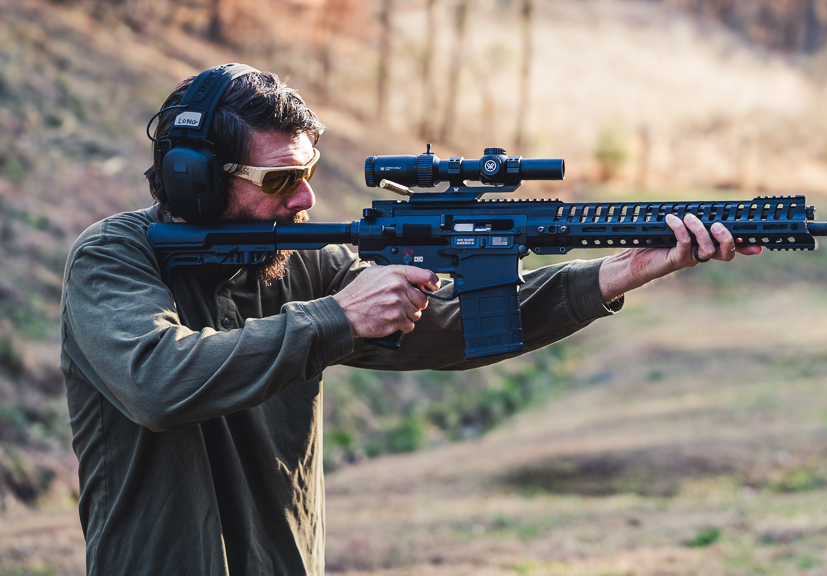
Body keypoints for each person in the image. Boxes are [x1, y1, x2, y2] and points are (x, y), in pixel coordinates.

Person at [60, 64, 760, 576]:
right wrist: (335, 319)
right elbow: (156, 382)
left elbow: (451, 328)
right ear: (197, 179)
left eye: (309, 172)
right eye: (279, 180)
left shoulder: (302, 263)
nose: (305, 198)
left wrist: (622, 271)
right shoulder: (114, 259)